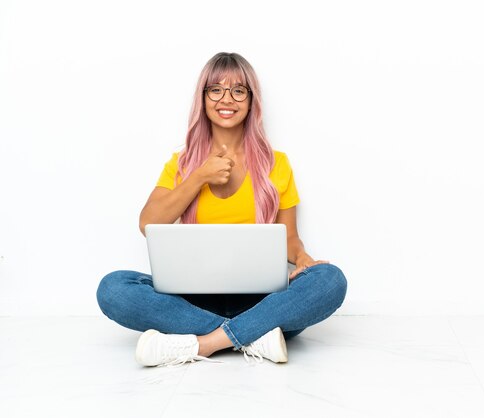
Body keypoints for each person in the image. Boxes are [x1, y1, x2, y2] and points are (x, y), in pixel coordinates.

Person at [96, 52, 348, 367]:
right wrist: (199, 176)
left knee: (330, 279)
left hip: (262, 300)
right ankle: (254, 337)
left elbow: (290, 239)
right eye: (216, 89)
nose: (226, 99)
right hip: (192, 300)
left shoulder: (277, 163)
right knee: (113, 288)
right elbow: (148, 222)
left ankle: (204, 343)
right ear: (203, 98)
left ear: (251, 100)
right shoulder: (182, 164)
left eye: (238, 90)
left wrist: (304, 260)